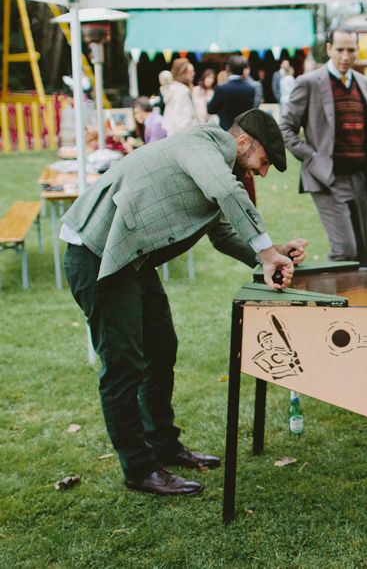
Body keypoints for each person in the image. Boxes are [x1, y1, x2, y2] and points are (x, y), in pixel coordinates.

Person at [61, 110, 308, 497]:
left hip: (129, 258)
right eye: (263, 163)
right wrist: (265, 252)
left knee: (161, 348)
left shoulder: (217, 166)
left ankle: (163, 445)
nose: (262, 174)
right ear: (243, 143)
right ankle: (139, 469)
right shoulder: (203, 144)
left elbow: (224, 233)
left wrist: (272, 252)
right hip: (96, 254)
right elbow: (226, 193)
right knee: (123, 366)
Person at [279, 27, 367, 267]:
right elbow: (285, 129)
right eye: (340, 50)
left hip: (359, 176)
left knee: (362, 253)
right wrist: (312, 157)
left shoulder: (360, 80)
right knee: (345, 250)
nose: (345, 56)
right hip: (328, 177)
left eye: (351, 49)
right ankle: (331, 300)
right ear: (329, 49)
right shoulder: (309, 82)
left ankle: (357, 302)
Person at [207, 56, 257, 132]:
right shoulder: (251, 89)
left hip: (226, 131)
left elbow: (211, 109)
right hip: (243, 131)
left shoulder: (221, 89)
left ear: (227, 68)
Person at [162, 58, 199, 135]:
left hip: (173, 136)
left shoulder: (173, 89)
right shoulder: (182, 91)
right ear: (182, 73)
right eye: (190, 72)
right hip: (184, 137)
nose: (194, 73)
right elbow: (183, 121)